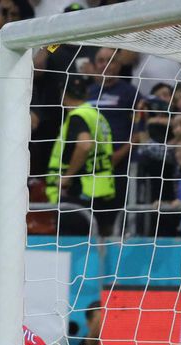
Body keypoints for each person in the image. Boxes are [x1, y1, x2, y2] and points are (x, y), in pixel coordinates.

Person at [46, 76, 116, 236]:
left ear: (63, 95)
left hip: (80, 193)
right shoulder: (97, 116)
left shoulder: (78, 116)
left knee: (74, 251)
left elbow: (85, 144)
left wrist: (67, 177)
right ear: (85, 94)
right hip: (101, 191)